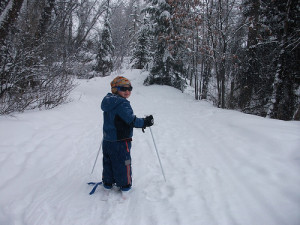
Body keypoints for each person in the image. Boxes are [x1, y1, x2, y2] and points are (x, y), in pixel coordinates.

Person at [101, 76, 154, 193]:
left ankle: (107, 182)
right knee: (124, 162)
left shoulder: (108, 101)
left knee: (108, 160)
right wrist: (145, 122)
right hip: (121, 140)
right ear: (115, 89)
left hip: (107, 140)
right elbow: (132, 121)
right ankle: (125, 185)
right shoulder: (122, 103)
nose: (127, 91)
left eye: (130, 88)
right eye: (123, 88)